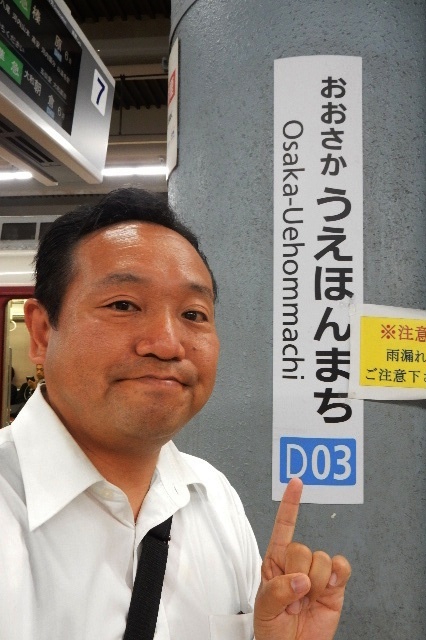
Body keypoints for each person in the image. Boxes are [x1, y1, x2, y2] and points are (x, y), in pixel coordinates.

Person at [0, 188, 351, 640]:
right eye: (123, 305)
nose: (167, 344)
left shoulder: (213, 498)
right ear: (42, 333)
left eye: (193, 313)